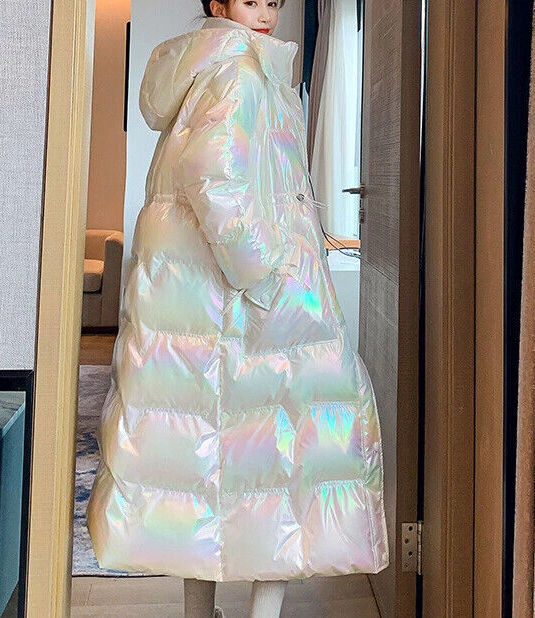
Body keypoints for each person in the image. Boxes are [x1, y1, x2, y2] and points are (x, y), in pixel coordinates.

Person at [86, 0, 389, 616]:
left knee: (202, 475)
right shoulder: (241, 70)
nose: (267, 15)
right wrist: (266, 273)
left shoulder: (202, 65)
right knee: (278, 468)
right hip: (251, 307)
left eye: (273, 2)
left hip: (197, 306)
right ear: (218, 4)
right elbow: (215, 177)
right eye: (252, 1)